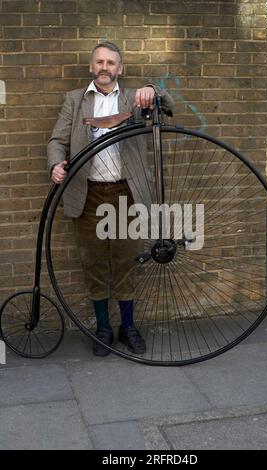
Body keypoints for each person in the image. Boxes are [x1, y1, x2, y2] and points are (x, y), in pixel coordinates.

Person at [47, 41, 173, 357]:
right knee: (93, 263)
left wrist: (152, 90)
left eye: (111, 63)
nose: (105, 67)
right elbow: (56, 140)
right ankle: (103, 327)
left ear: (120, 69)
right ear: (92, 67)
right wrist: (56, 164)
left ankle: (127, 327)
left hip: (124, 194)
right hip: (87, 193)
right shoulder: (75, 101)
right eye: (99, 62)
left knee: (125, 261)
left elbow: (167, 105)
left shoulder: (133, 98)